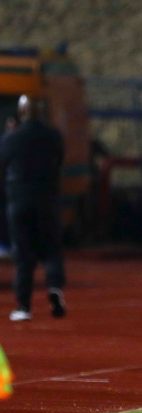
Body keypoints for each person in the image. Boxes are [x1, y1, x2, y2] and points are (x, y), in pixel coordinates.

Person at [0, 95, 67, 322]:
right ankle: (54, 287)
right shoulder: (53, 136)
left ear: (21, 113)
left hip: (19, 201)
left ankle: (23, 306)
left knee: (23, 254)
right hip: (47, 200)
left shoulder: (11, 138)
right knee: (51, 250)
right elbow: (59, 162)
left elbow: (2, 165)